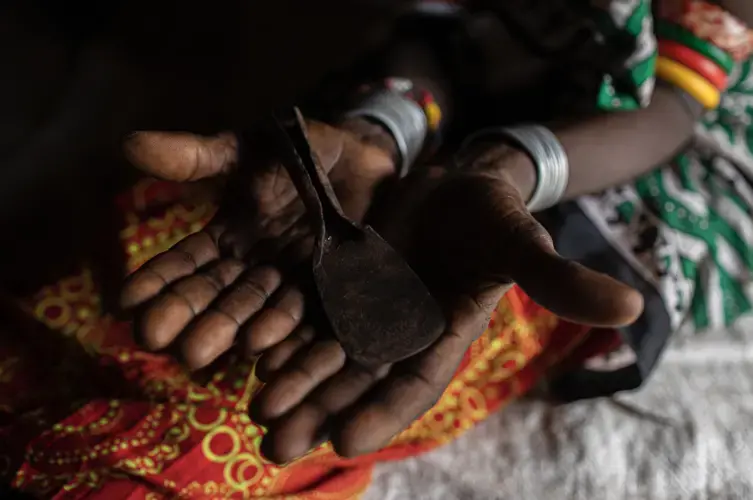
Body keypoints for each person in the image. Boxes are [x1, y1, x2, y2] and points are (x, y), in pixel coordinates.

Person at [3, 1, 753, 499]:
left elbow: (671, 111)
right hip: (425, 156)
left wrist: (501, 169)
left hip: (590, 205)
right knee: (131, 275)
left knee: (232, 418)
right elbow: (445, 39)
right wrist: (379, 130)